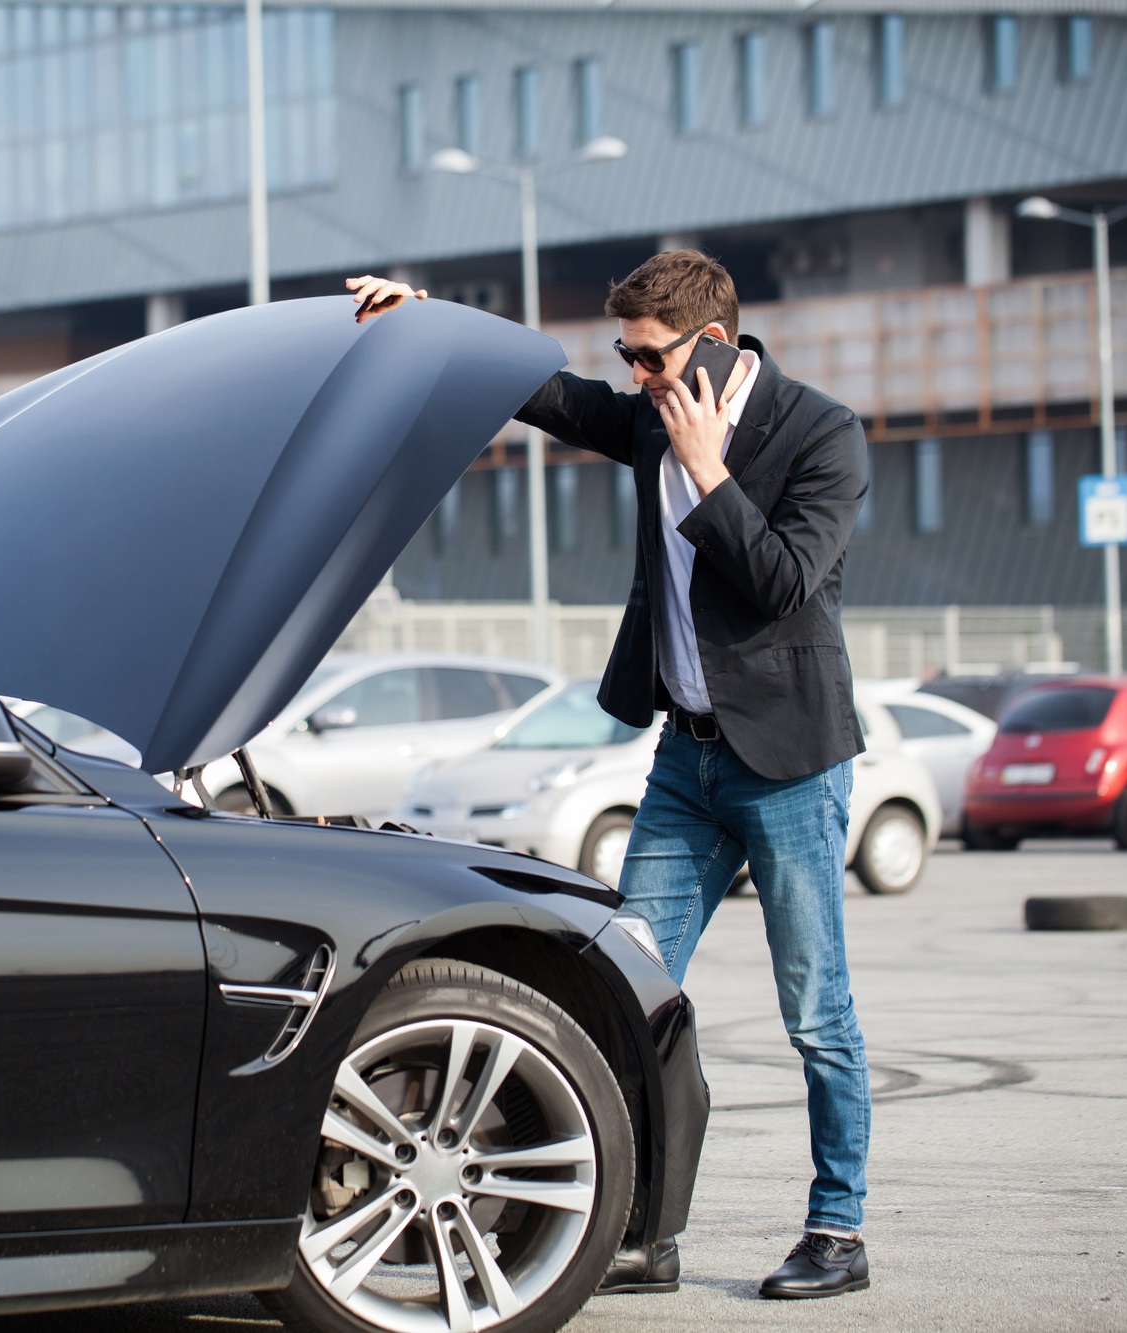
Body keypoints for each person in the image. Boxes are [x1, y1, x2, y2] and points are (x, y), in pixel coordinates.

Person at [347, 253, 873, 1301]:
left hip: (787, 764)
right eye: (625, 357)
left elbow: (775, 584)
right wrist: (427, 317)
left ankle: (836, 1227)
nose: (632, 376)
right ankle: (638, 1229)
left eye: (647, 357)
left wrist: (706, 468)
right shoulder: (641, 413)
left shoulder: (821, 435)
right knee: (620, 991)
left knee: (814, 1008)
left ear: (712, 344)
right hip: (685, 759)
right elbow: (540, 389)